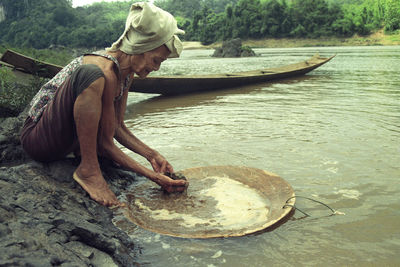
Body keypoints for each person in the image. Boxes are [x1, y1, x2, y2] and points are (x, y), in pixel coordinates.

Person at [20, 2, 188, 207]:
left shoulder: (125, 74)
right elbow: (104, 143)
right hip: (38, 140)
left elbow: (116, 126)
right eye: (155, 60)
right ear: (141, 48)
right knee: (90, 75)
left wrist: (152, 155)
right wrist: (151, 177)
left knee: (96, 82)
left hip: (65, 141)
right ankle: (88, 170)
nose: (156, 68)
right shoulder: (104, 70)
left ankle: (88, 160)